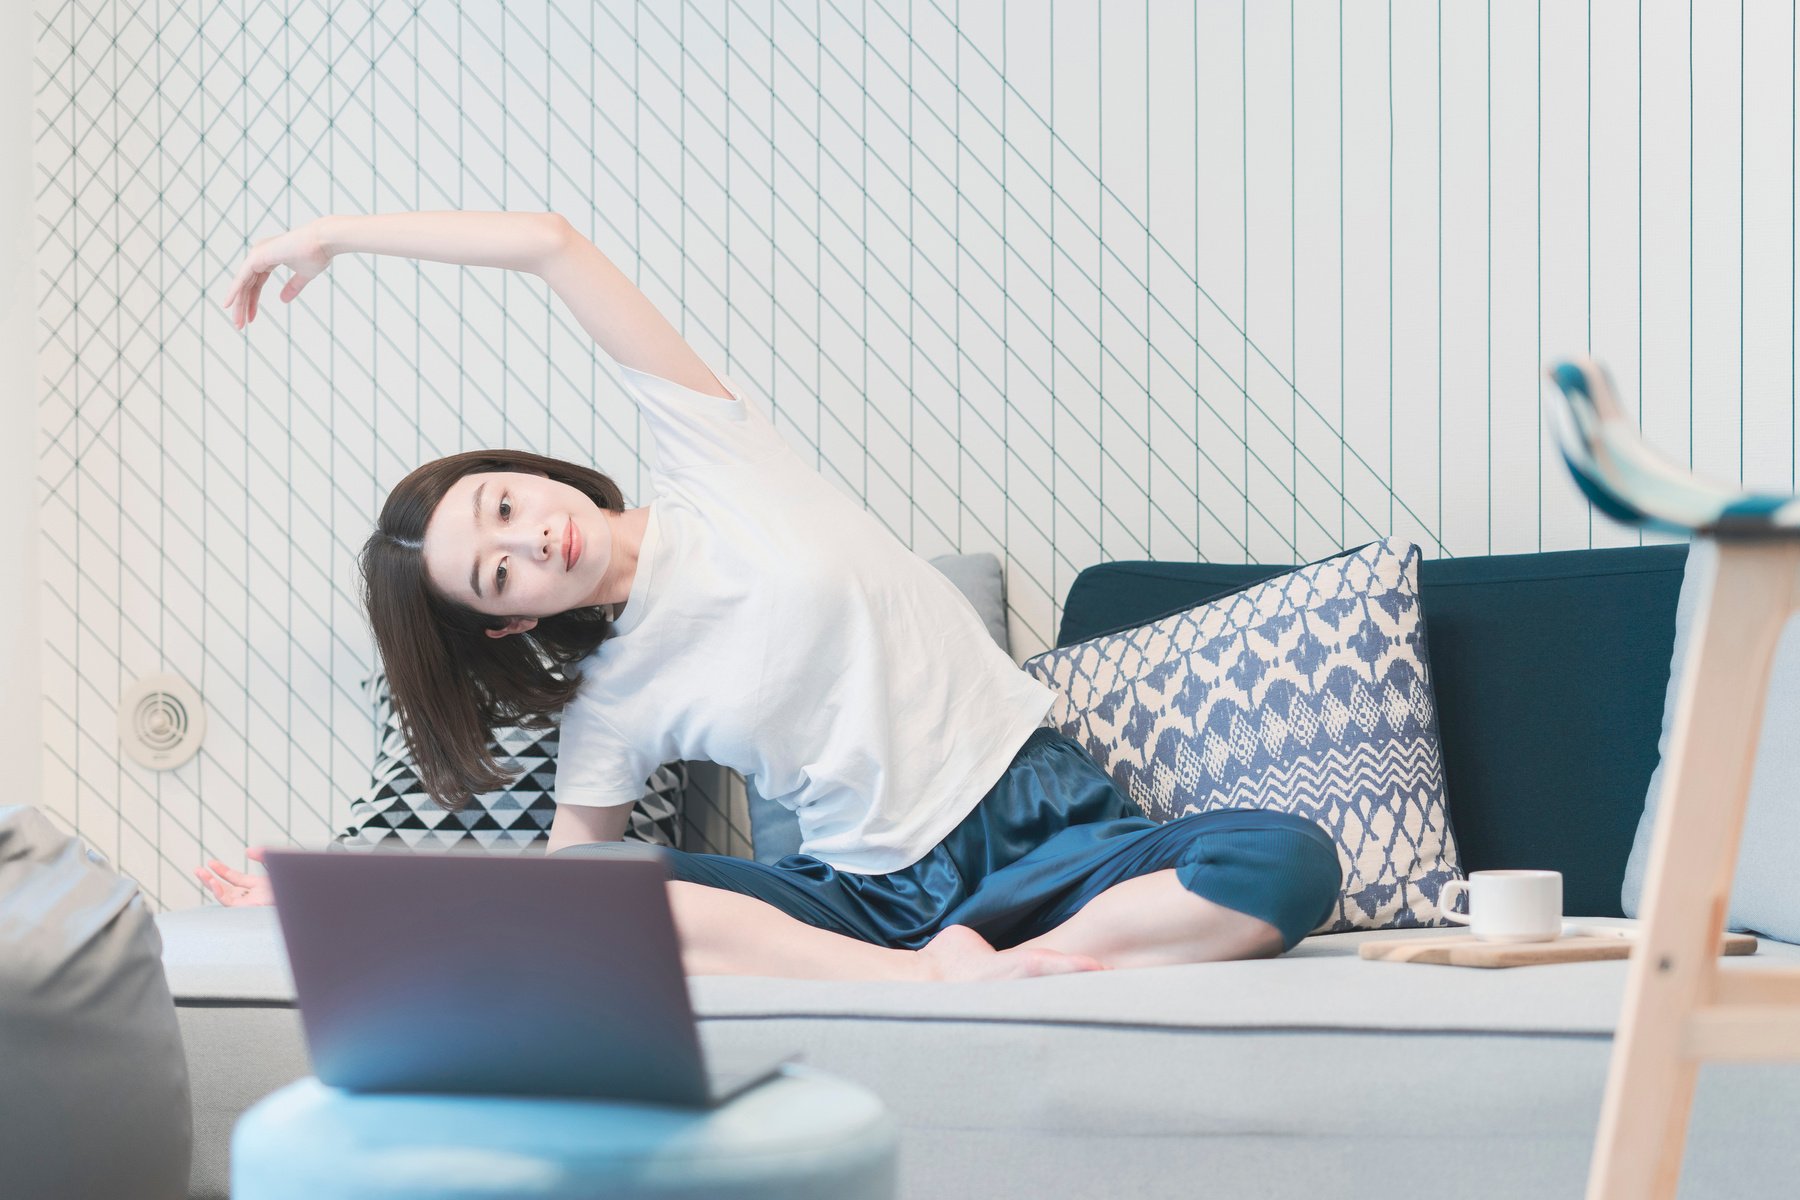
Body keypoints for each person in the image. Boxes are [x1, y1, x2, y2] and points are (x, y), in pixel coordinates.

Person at [195, 211, 1343, 984]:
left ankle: (1033, 968)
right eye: (500, 570)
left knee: (1285, 862)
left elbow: (550, 245)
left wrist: (333, 234)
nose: (531, 537)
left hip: (1049, 829)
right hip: (868, 905)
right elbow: (559, 900)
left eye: (503, 503)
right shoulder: (610, 701)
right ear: (509, 620)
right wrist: (318, 913)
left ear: (529, 472)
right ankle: (921, 984)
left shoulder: (716, 460)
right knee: (603, 891)